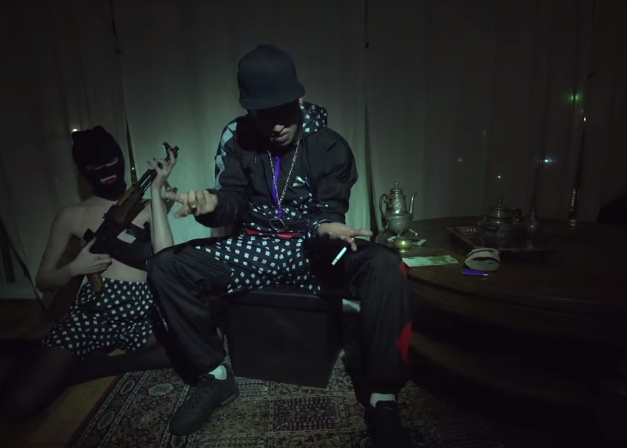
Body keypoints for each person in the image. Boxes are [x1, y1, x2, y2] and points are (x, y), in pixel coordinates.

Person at [147, 44, 414, 447]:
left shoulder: (329, 145)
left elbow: (329, 209)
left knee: (386, 265)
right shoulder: (235, 137)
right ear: (248, 110)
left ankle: (383, 397)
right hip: (256, 249)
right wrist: (212, 205)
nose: (274, 125)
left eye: (283, 111)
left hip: (317, 249)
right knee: (165, 266)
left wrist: (327, 227)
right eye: (262, 114)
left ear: (299, 99)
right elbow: (232, 199)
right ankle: (215, 376)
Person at [0, 126, 177, 420]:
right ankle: (36, 351)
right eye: (94, 168)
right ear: (83, 171)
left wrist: (157, 191)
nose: (105, 172)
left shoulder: (147, 206)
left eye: (111, 162)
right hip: (92, 313)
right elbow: (44, 280)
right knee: (19, 403)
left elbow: (165, 256)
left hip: (141, 312)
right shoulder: (71, 215)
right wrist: (75, 268)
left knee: (189, 347)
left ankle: (97, 367)